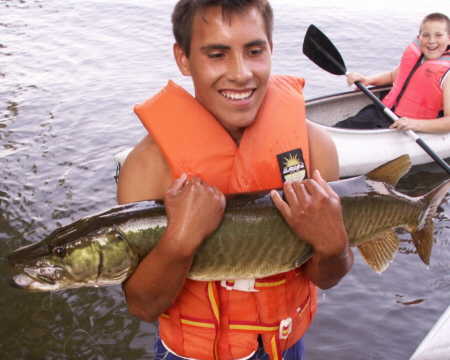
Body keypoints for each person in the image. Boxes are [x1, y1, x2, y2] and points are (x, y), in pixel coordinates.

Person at [117, 1, 353, 359]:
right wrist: (180, 240)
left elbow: (326, 276)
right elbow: (143, 306)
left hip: (283, 346)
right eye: (217, 54)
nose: (241, 73)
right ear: (183, 58)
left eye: (254, 51)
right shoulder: (147, 166)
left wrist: (334, 247)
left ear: (271, 50)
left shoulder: (315, 148)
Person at [335, 12, 450, 133]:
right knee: (340, 128)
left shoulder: (447, 74)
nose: (431, 40)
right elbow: (392, 76)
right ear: (419, 37)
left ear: (449, 39)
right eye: (426, 35)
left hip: (410, 128)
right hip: (384, 111)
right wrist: (368, 80)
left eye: (438, 35)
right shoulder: (417, 57)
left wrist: (415, 124)